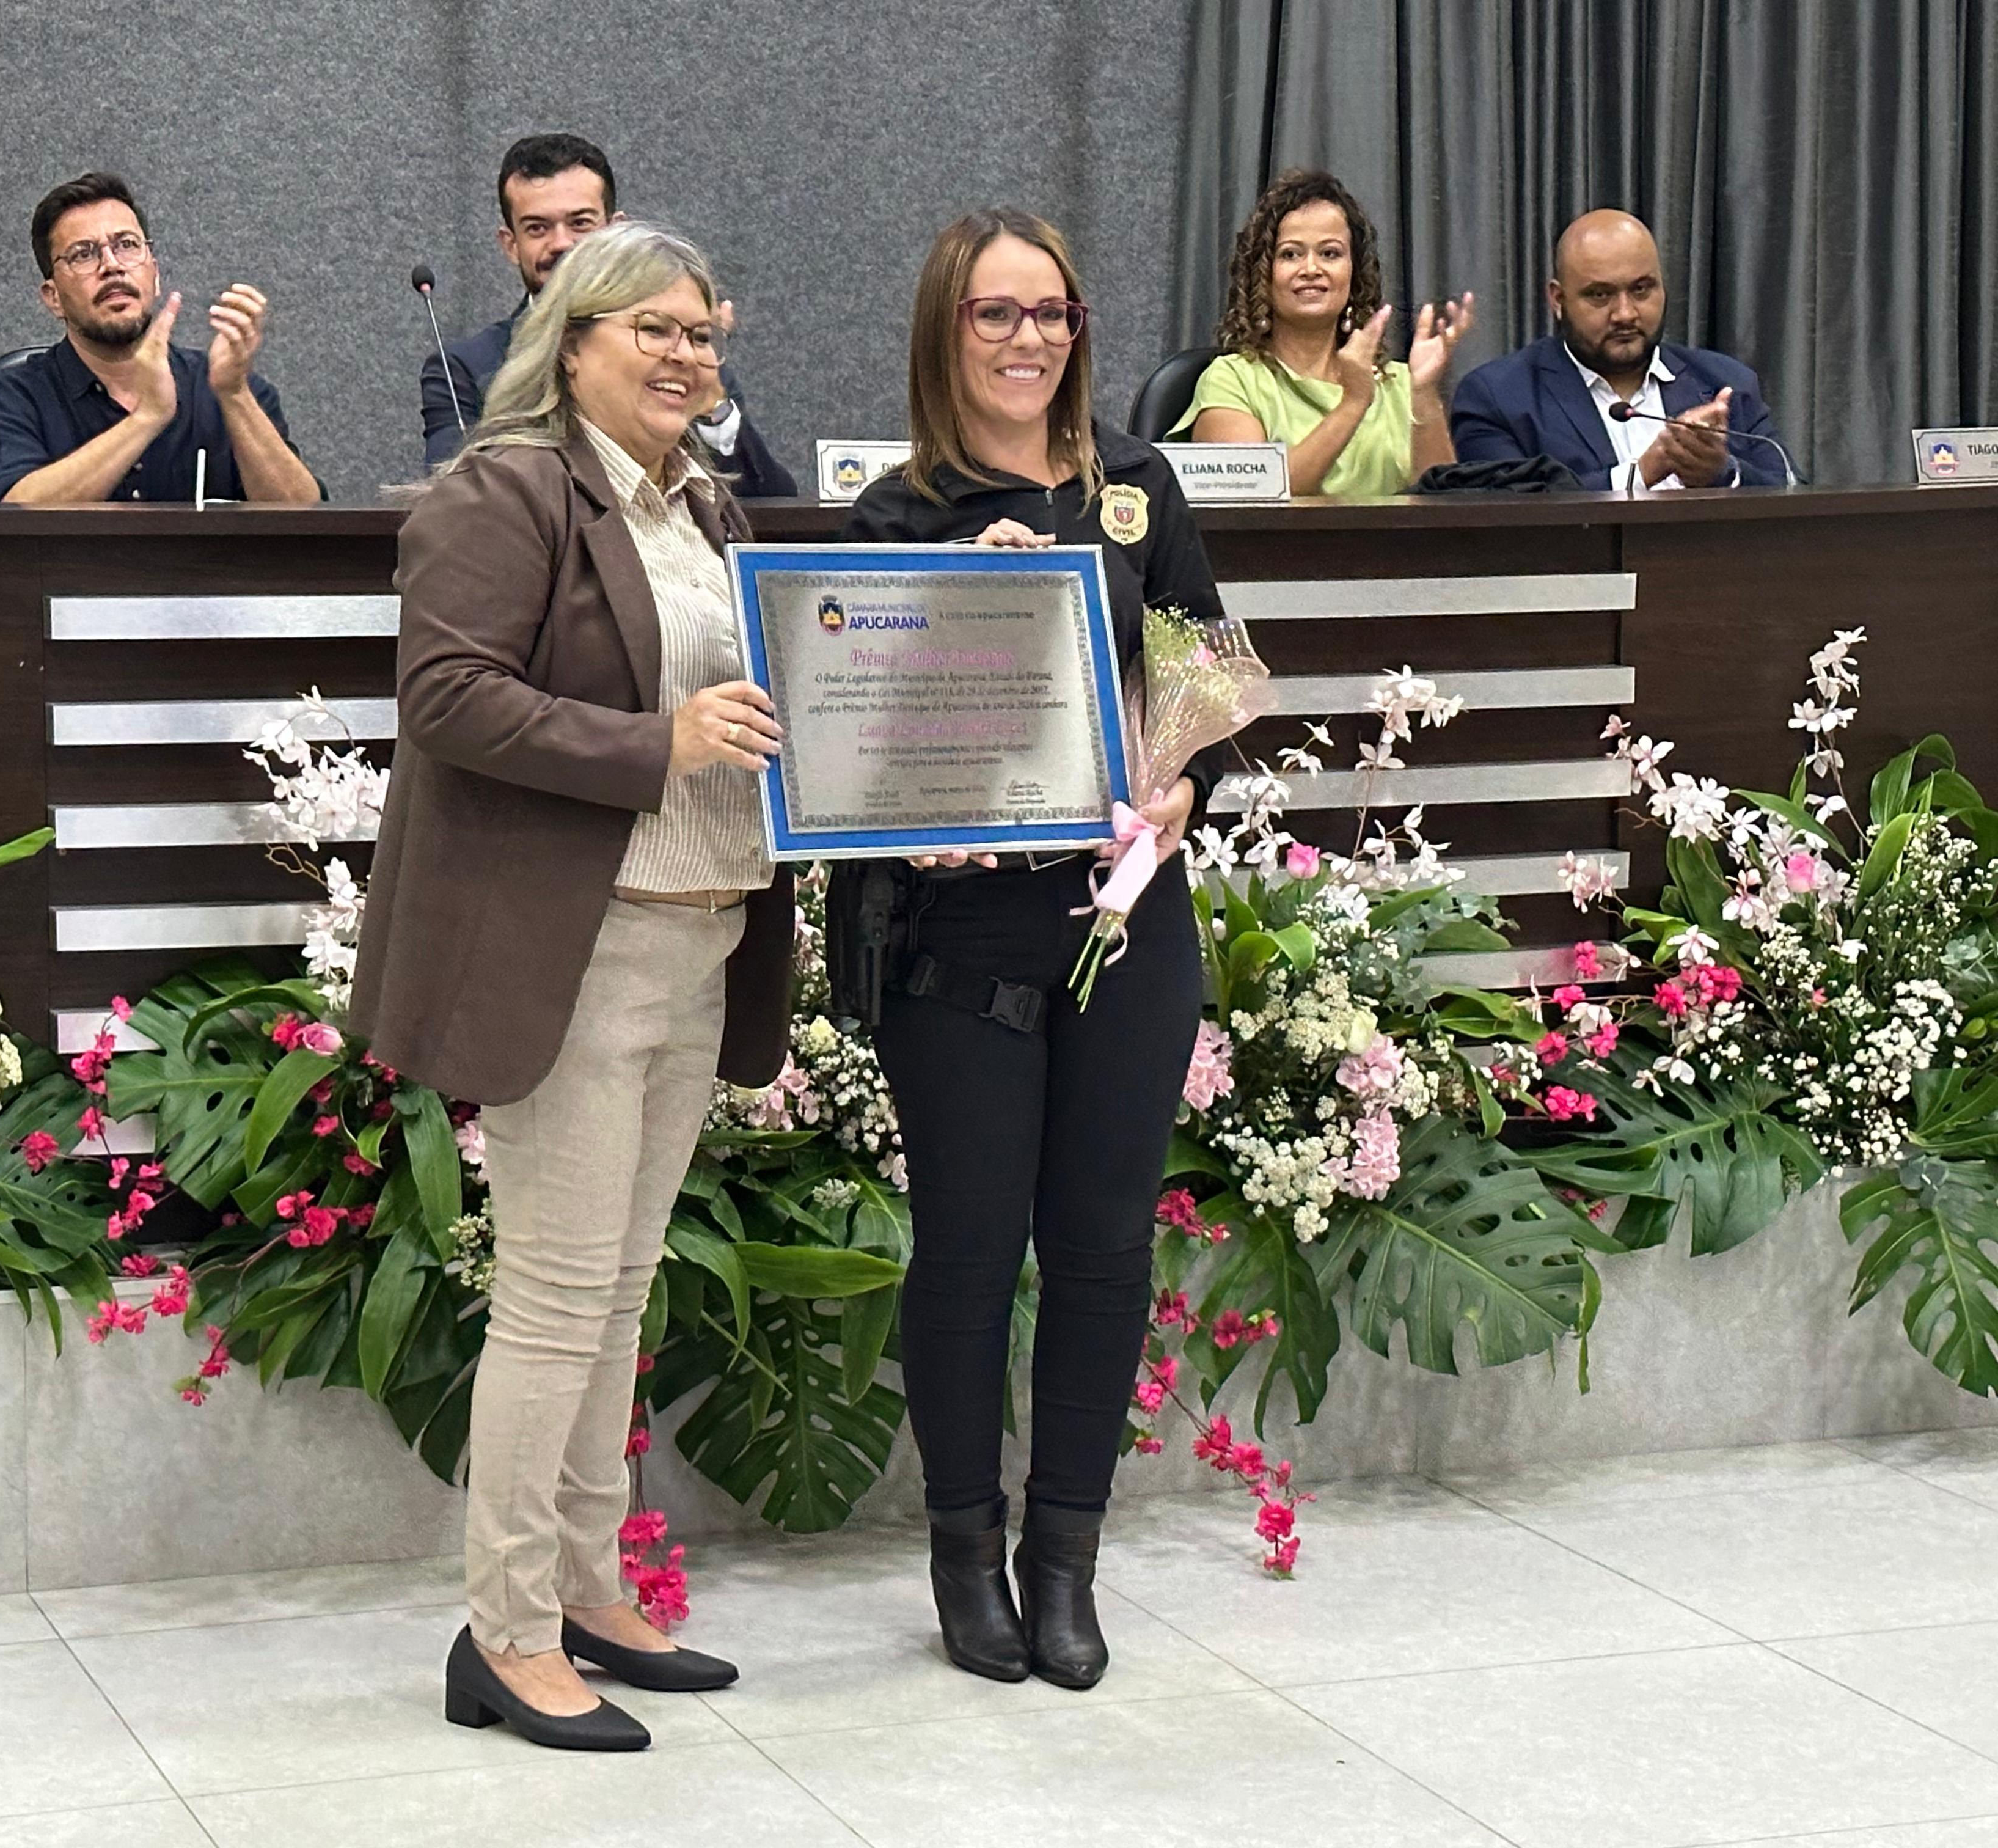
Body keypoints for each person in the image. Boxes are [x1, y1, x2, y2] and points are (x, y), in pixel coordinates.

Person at [352, 222, 794, 1752]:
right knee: (554, 1301)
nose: (685, 355)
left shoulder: (710, 506)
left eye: (703, 333)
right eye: (651, 328)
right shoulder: (507, 489)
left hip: (706, 929)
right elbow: (448, 695)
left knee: (618, 1292)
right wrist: (657, 743)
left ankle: (592, 1591)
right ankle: (506, 1633)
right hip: (579, 945)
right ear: (574, 337)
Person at [832, 208, 1216, 1690]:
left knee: (1106, 1248)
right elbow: (857, 740)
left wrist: (1183, 786)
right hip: (964, 938)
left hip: (1127, 915)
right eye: (995, 313)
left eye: (1050, 312)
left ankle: (1066, 1560)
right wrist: (961, 606)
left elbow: (1204, 668)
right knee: (972, 1251)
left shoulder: (1137, 485)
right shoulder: (896, 515)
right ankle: (962, 1552)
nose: (1028, 338)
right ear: (947, 331)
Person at [420, 133, 796, 497]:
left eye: (581, 223)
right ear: (511, 245)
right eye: (537, 228)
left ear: (616, 231)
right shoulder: (466, 368)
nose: (563, 243)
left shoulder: (681, 351)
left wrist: (712, 404)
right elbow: (450, 497)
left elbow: (770, 503)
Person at [0, 173, 321, 504]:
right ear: (53, 297)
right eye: (84, 254)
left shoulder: (229, 388)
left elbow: (306, 522)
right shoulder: (9, 396)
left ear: (155, 276)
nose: (112, 265)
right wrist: (147, 417)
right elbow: (11, 516)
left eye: (127, 245)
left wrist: (235, 395)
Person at [1174, 169, 1471, 497]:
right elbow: (1256, 500)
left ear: (1354, 273)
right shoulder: (1231, 381)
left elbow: (1443, 505)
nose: (1311, 269)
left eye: (1330, 253)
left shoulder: (1399, 384)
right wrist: (1354, 402)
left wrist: (1425, 396)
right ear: (1262, 275)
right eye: (1290, 254)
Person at [1452, 208, 1792, 488]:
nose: (1625, 314)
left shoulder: (1725, 382)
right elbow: (1505, 514)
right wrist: (1641, 474)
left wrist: (1724, 473)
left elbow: (1792, 493)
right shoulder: (1498, 397)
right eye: (1600, 295)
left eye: (1642, 290)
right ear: (1558, 300)